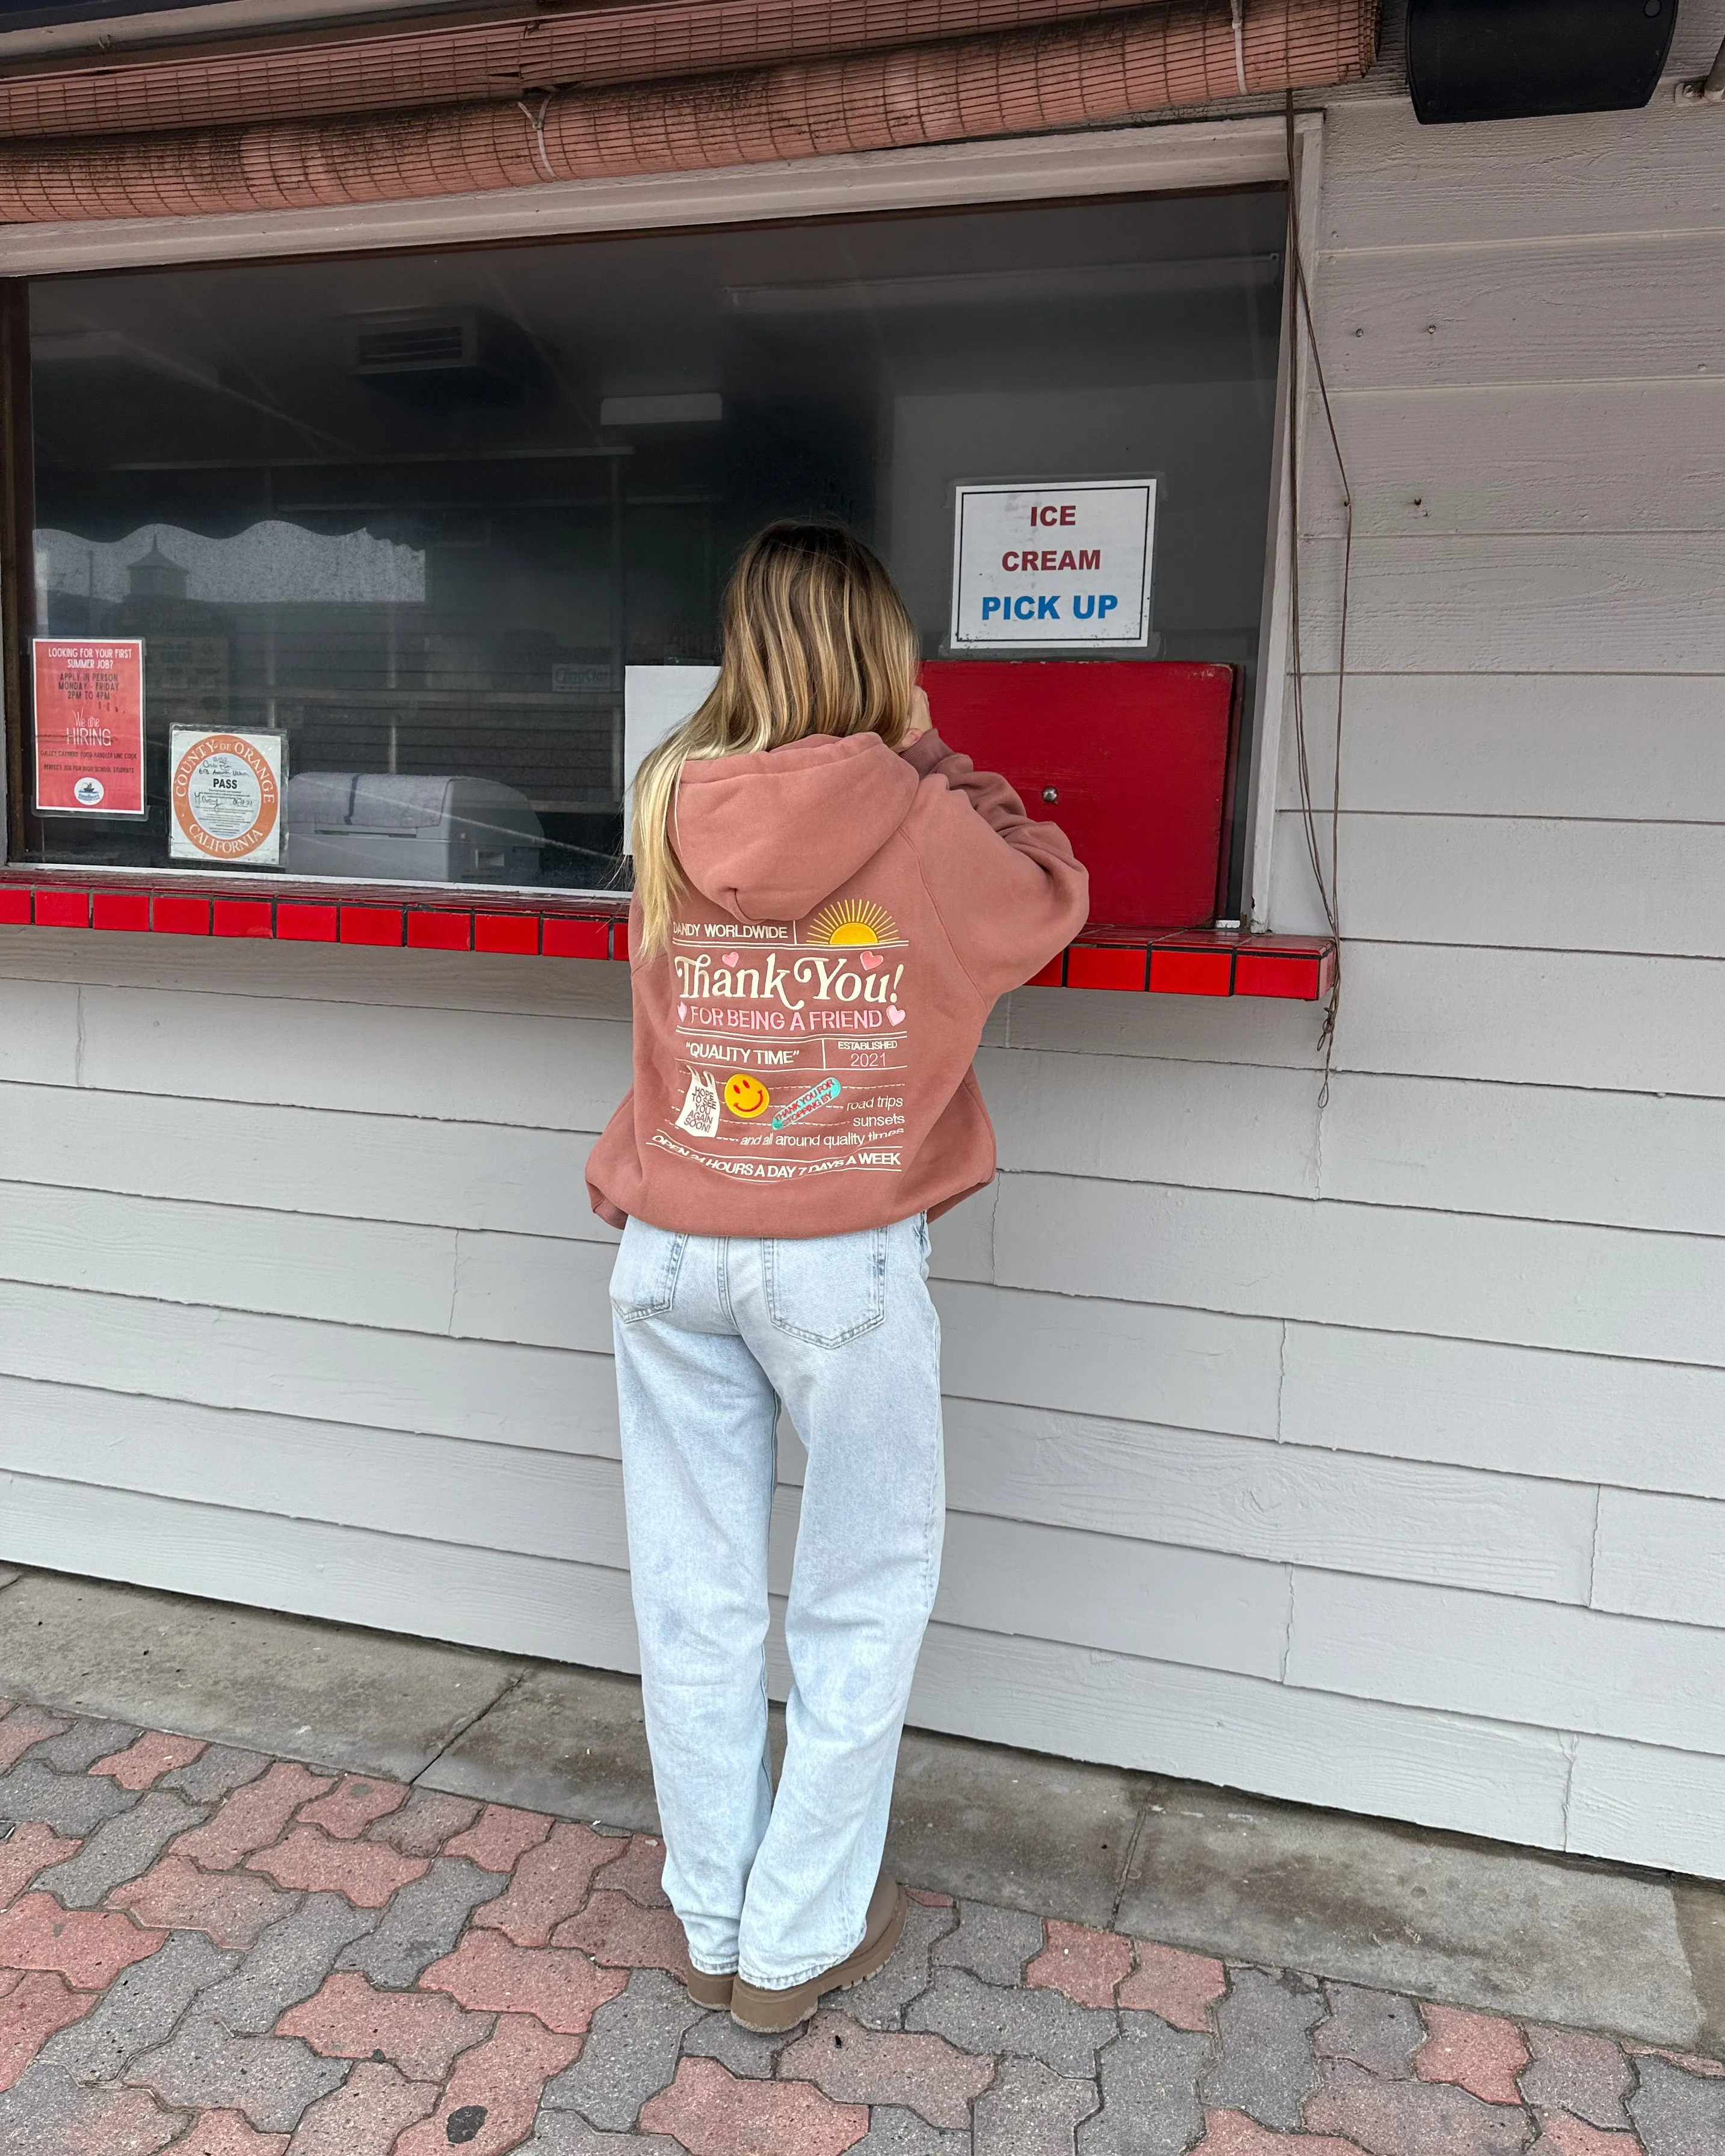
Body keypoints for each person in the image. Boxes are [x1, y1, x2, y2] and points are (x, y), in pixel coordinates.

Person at [586, 520, 1088, 2033]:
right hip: (836, 1261)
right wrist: (936, 758)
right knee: (857, 1600)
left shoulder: (666, 794)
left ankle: (712, 1914)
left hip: (671, 1247)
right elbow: (1051, 894)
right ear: (886, 652)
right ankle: (795, 1939)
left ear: (740, 645)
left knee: (693, 1603)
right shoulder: (931, 824)